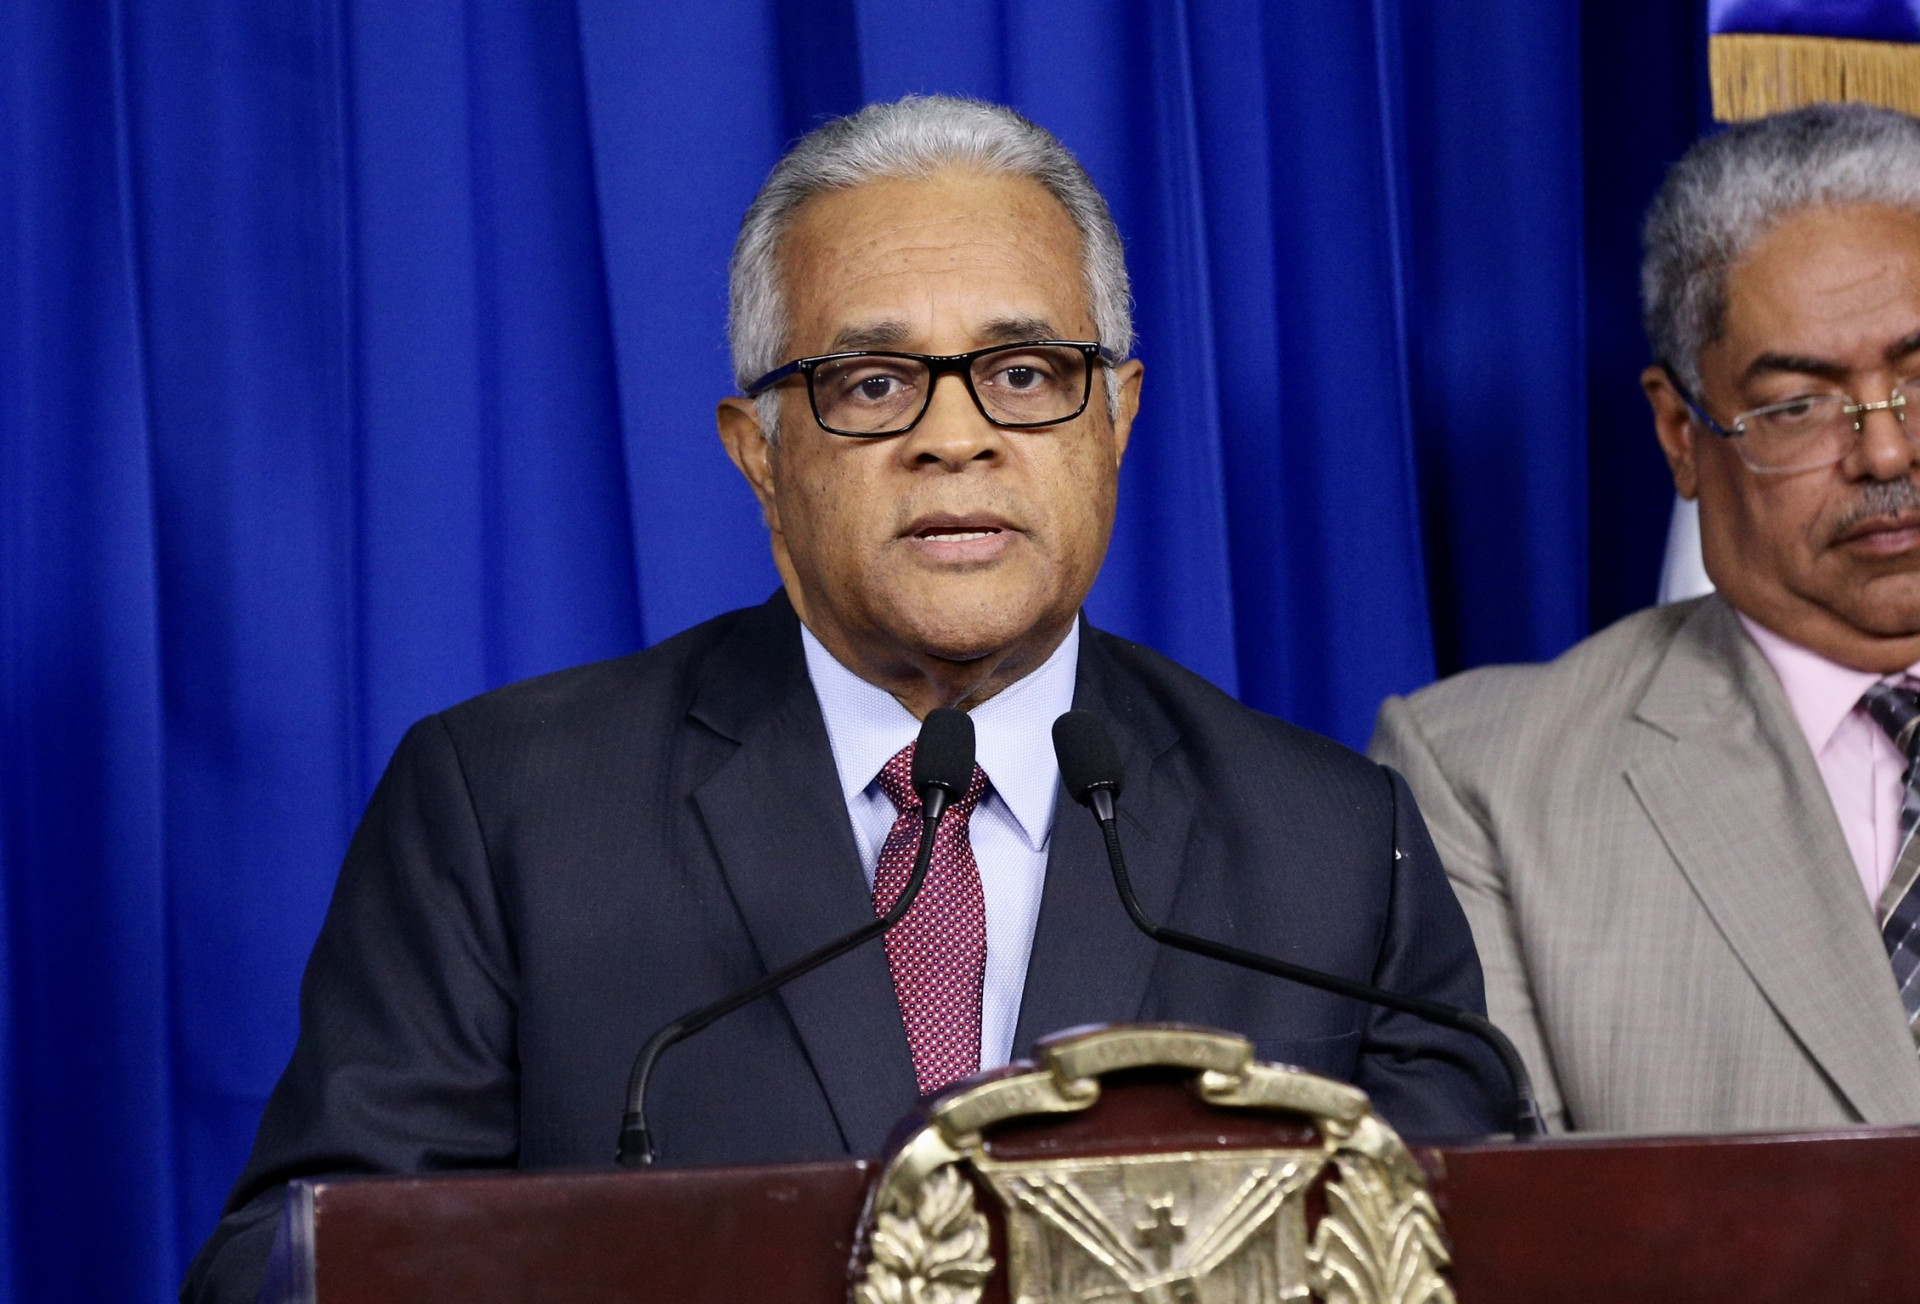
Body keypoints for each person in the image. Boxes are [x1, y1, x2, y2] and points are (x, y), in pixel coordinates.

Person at [186, 95, 1505, 1301]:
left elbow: (1483, 1256)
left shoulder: (1337, 846)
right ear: (759, 453)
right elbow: (292, 1268)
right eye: (873, 385)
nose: (956, 436)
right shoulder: (507, 811)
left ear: (1116, 416)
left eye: (1026, 373)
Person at [1372, 103, 1920, 1135]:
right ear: (1680, 431)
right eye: (1798, 405)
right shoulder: (1488, 780)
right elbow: (1510, 1212)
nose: (1886, 451)